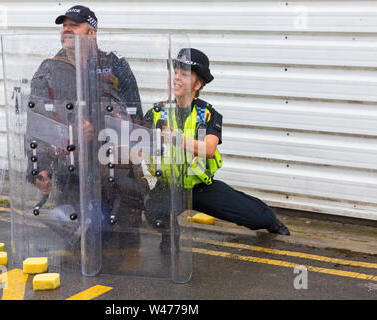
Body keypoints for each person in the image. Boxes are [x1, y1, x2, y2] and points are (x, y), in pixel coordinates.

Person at [143, 48, 290, 253]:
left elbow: (209, 149)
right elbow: (138, 144)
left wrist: (174, 138)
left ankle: (270, 220)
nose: (176, 77)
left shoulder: (207, 113)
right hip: (169, 185)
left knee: (254, 216)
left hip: (200, 187)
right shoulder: (156, 112)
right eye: (175, 71)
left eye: (184, 73)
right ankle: (170, 235)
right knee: (152, 210)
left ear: (198, 84)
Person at [27, 5, 149, 245]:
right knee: (84, 235)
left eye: (74, 25)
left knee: (118, 235)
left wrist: (100, 128)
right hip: (72, 171)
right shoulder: (48, 69)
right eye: (64, 26)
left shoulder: (115, 65)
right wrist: (39, 169)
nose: (66, 30)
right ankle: (83, 223)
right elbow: (36, 124)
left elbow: (135, 118)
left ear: (92, 33)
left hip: (116, 170)